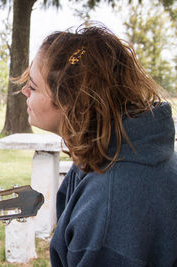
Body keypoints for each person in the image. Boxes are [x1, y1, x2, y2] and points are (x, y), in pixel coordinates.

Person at [20, 24, 177, 266]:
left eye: (33, 86)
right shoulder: (107, 151)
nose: (24, 91)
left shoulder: (108, 209)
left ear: (70, 101)